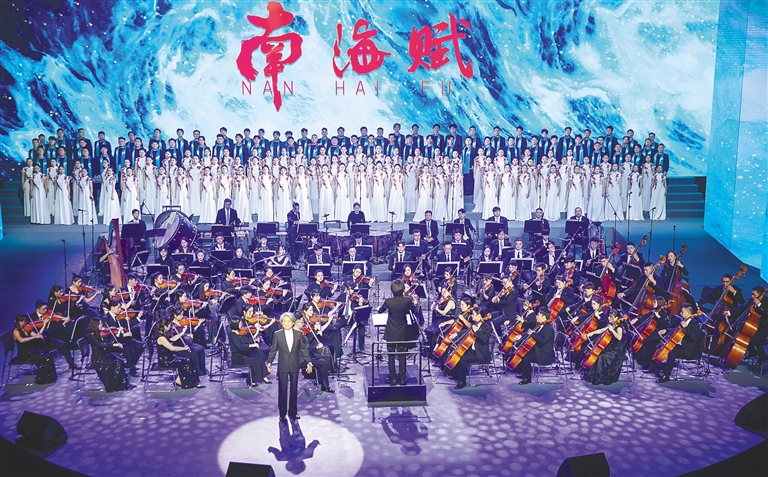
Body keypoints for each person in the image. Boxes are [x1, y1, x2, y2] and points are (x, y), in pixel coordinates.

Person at [267, 313, 313, 422]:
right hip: (283, 365)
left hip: (294, 365)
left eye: (288, 321)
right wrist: (269, 363)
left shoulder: (298, 333)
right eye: (284, 321)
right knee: (282, 390)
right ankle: (282, 414)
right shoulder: (277, 334)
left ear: (293, 322)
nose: (286, 323)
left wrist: (309, 362)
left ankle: (293, 412)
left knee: (294, 390)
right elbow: (273, 350)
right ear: (282, 323)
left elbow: (303, 349)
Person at [378, 280, 415, 385]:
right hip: (403, 331)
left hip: (391, 331)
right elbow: (412, 310)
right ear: (403, 290)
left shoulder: (388, 302)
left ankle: (393, 378)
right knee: (402, 355)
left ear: (392, 290)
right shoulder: (408, 301)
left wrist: (379, 309)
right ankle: (403, 379)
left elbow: (380, 310)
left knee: (391, 355)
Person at [656, 304, 704, 383]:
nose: (680, 313)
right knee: (661, 345)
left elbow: (693, 337)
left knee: (672, 352)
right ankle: (656, 367)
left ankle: (666, 375)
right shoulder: (684, 321)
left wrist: (686, 327)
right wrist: (665, 330)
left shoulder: (694, 325)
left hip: (688, 349)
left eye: (682, 312)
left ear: (688, 313)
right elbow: (676, 330)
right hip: (681, 345)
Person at [450, 305, 492, 389]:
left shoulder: (486, 327)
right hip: (473, 351)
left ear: (479, 315)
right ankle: (457, 375)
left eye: (473, 314)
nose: (472, 316)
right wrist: (456, 334)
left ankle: (462, 382)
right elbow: (467, 331)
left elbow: (484, 339)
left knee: (463, 358)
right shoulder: (476, 324)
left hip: (480, 354)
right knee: (458, 352)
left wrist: (476, 331)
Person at [85, 318, 132, 392]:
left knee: (120, 360)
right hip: (99, 358)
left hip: (104, 354)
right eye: (100, 324)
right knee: (118, 362)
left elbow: (108, 342)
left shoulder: (98, 333)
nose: (102, 325)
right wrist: (115, 345)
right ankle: (114, 386)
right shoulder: (91, 336)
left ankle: (123, 384)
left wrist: (117, 335)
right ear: (95, 325)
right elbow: (101, 345)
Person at [155, 317, 202, 389]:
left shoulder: (163, 335)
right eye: (169, 325)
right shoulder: (161, 338)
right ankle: (186, 382)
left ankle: (190, 381)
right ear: (164, 326)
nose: (170, 327)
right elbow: (172, 348)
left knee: (188, 360)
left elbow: (172, 339)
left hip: (169, 358)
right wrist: (184, 348)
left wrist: (182, 333)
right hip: (165, 361)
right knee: (186, 362)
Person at [581, 310, 626, 385]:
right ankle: (592, 373)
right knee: (599, 353)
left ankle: (599, 376)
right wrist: (592, 333)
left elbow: (619, 337)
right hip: (611, 346)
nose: (609, 318)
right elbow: (602, 330)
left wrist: (612, 330)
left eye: (611, 317)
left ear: (616, 318)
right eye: (609, 316)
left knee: (601, 356)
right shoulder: (611, 324)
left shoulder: (619, 327)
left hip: (616, 350)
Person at [512, 308, 555, 384]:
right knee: (522, 352)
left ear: (544, 317)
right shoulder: (541, 325)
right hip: (538, 349)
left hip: (544, 354)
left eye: (538, 315)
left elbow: (542, 340)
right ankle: (525, 374)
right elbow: (530, 331)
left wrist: (533, 334)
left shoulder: (548, 329)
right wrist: (521, 336)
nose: (536, 316)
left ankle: (527, 379)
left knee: (526, 358)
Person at [12, 314, 57, 385]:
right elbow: (21, 340)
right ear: (19, 322)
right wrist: (33, 337)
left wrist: (44, 325)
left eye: (25, 321)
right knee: (43, 358)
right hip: (24, 354)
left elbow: (37, 335)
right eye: (23, 321)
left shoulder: (28, 329)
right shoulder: (16, 331)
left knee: (48, 355)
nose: (25, 323)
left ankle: (50, 377)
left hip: (31, 351)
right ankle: (40, 379)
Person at [228, 317, 270, 387]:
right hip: (238, 358)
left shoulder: (239, 333)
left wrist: (256, 334)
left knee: (259, 357)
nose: (241, 324)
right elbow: (240, 347)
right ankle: (251, 380)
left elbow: (247, 341)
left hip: (243, 355)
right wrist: (252, 345)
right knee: (255, 362)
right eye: (240, 323)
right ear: (235, 324)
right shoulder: (232, 335)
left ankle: (263, 376)